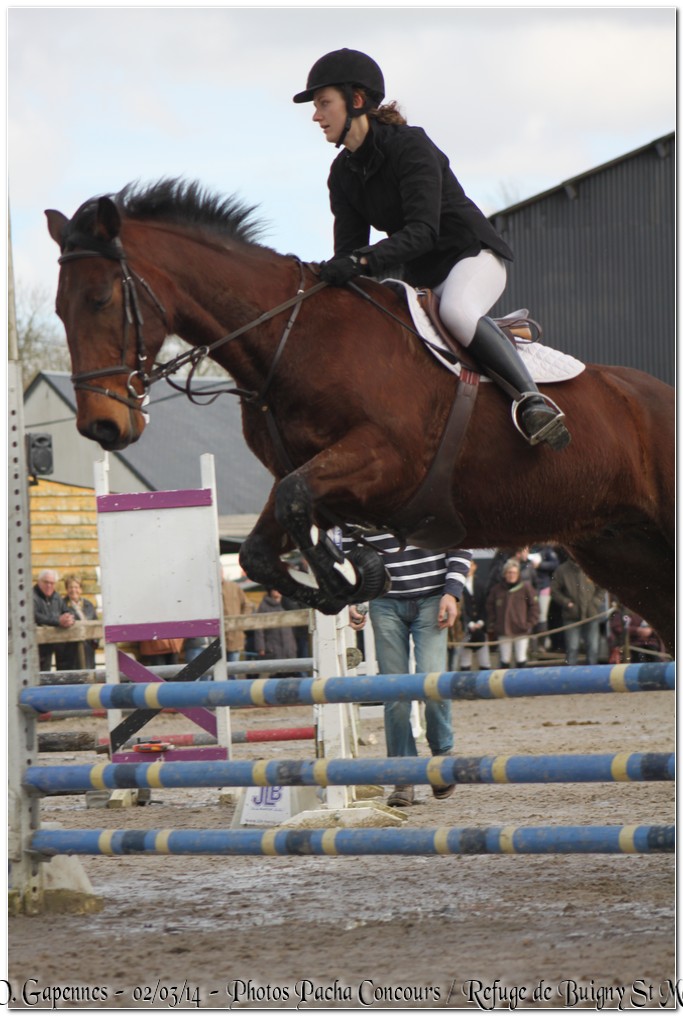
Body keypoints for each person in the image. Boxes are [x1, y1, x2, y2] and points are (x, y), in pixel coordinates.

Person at [293, 48, 570, 451]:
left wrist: (361, 261)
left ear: (356, 101)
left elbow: (422, 233)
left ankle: (533, 403)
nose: (316, 116)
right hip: (421, 278)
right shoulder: (343, 174)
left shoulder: (410, 146)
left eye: (323, 104)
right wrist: (326, 275)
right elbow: (351, 254)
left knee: (458, 312)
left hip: (471, 257)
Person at [347, 533, 472, 807]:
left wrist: (452, 592)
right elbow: (349, 552)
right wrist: (352, 598)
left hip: (433, 597)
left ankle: (441, 757)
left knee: (433, 683)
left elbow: (460, 538)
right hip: (384, 602)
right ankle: (403, 776)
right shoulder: (358, 501)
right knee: (396, 695)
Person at [551, 557, 606, 666]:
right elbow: (554, 590)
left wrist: (595, 602)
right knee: (572, 648)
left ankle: (592, 675)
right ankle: (570, 677)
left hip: (591, 615)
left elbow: (602, 587)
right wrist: (566, 602)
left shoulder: (592, 567)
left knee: (593, 648)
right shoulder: (562, 570)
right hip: (571, 616)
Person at [486, 558, 539, 667]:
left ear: (518, 573)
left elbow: (535, 607)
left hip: (521, 630)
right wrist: (494, 622)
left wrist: (529, 623)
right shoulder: (497, 589)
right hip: (503, 630)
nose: (512, 575)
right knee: (505, 660)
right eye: (509, 572)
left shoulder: (526, 587)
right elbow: (489, 606)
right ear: (505, 574)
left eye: (514, 572)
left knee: (521, 658)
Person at [33, 568, 75, 671]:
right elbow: (35, 615)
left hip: (56, 645)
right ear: (39, 582)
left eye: (52, 583)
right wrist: (58, 621)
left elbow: (67, 610)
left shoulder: (56, 596)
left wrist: (69, 618)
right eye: (46, 582)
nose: (49, 586)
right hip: (36, 647)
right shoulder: (31, 596)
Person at [253, 588, 298, 678]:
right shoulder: (264, 606)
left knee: (290, 673)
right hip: (272, 644)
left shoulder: (287, 604)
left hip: (289, 645)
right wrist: (261, 647)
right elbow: (259, 628)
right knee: (275, 674)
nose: (277, 591)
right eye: (274, 589)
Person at [58, 574, 99, 671]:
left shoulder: (88, 605)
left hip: (88, 649)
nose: (73, 590)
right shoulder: (61, 605)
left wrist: (95, 642)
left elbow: (95, 622)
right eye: (70, 587)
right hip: (70, 652)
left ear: (80, 589)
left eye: (76, 587)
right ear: (66, 589)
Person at [457, 558, 491, 671]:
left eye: (470, 565)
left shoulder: (481, 585)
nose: (468, 569)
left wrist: (481, 622)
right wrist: (469, 623)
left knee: (484, 660)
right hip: (465, 628)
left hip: (481, 626)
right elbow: (461, 608)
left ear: (475, 567)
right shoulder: (458, 587)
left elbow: (485, 605)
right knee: (465, 660)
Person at [221, 577, 253, 677]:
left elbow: (247, 605)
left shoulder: (234, 587)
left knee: (232, 672)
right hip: (215, 640)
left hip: (234, 638)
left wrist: (241, 623)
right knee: (212, 674)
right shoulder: (207, 589)